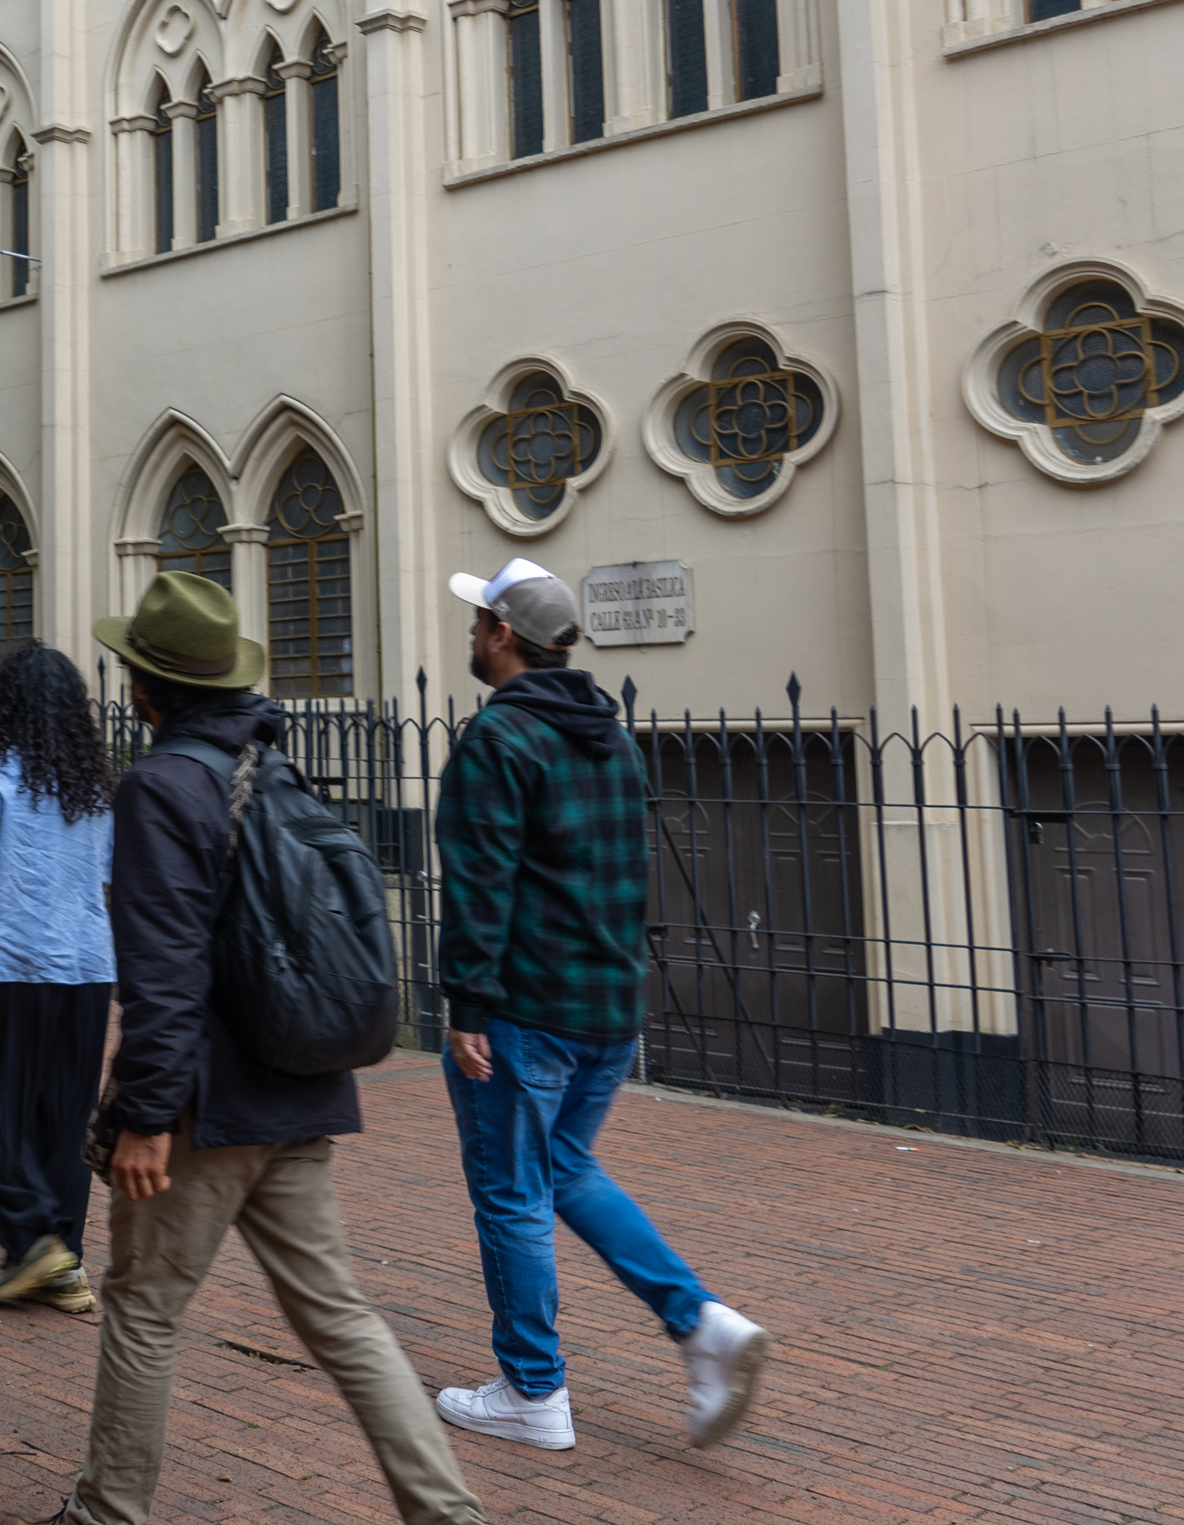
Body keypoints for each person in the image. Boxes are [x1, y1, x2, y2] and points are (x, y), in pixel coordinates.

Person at [39, 572, 481, 1525]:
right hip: (300, 1091)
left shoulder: (162, 785)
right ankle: (449, 1515)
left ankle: (107, 1511)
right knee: (343, 1317)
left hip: (206, 1109)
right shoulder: (273, 768)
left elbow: (165, 973)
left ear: (148, 687)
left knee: (145, 1310)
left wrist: (147, 1117)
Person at [432, 559, 768, 1454]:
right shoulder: (610, 737)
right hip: (608, 1008)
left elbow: (479, 884)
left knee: (511, 1194)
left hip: (524, 1008)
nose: (469, 636)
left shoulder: (498, 739)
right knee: (565, 1170)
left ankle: (533, 1392)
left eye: (477, 623)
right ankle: (702, 1325)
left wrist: (468, 1004)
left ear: (505, 634)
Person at [0, 642, 115, 1316]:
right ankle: (60, 1261)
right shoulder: (95, 782)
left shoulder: (2, 766)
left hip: (14, 963)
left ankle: (33, 1237)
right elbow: (116, 868)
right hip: (88, 967)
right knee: (62, 1117)